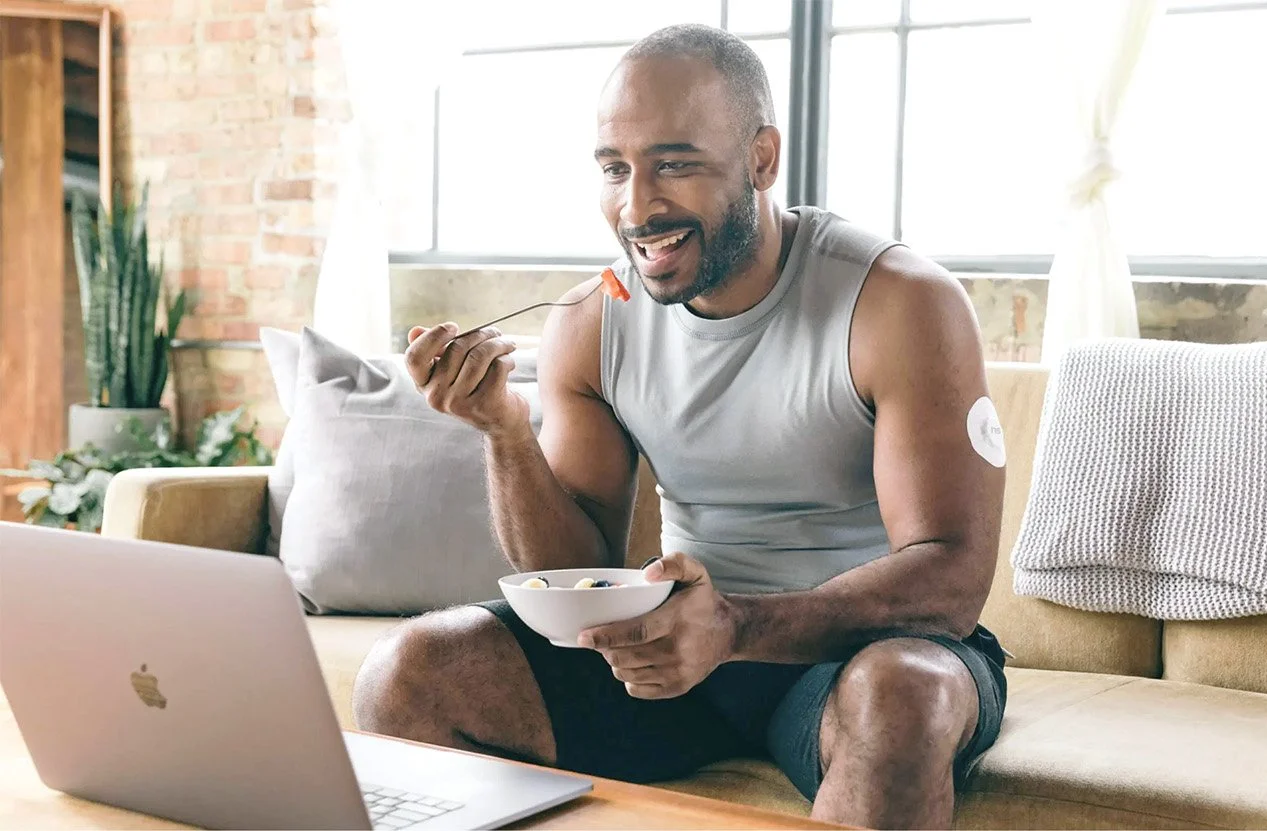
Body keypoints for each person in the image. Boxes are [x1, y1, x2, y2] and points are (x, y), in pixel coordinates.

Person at [354, 23, 1006, 830]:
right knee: (406, 672)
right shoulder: (592, 321)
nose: (637, 206)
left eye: (675, 164)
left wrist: (734, 624)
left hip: (859, 653)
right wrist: (504, 432)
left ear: (762, 159)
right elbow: (578, 570)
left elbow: (951, 577)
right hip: (674, 651)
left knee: (902, 694)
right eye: (615, 169)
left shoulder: (899, 301)